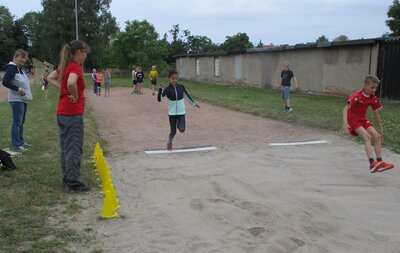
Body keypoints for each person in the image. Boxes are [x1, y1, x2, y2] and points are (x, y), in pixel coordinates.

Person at [47, 40, 91, 192]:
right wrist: (74, 94)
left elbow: (50, 78)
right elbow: (72, 82)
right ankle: (74, 182)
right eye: (85, 53)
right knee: (73, 146)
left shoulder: (65, 67)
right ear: (79, 52)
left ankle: (67, 178)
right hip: (72, 113)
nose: (86, 56)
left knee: (66, 147)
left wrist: (62, 88)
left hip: (62, 112)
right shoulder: (75, 67)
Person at [342, 75, 394, 173]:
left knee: (377, 136)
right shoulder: (357, 96)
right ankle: (372, 163)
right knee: (367, 137)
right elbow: (345, 109)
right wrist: (345, 123)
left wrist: (381, 128)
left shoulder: (372, 97)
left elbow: (376, 114)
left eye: (375, 88)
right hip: (353, 120)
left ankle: (380, 163)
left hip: (362, 120)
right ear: (365, 86)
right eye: (372, 87)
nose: (374, 90)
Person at [157, 70, 200, 151]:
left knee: (182, 129)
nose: (174, 80)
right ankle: (169, 143)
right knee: (173, 131)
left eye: (176, 78)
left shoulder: (181, 87)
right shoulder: (167, 89)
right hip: (172, 114)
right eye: (173, 78)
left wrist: (194, 104)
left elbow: (187, 96)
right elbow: (159, 99)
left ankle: (179, 124)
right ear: (169, 79)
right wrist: (160, 90)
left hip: (181, 112)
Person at [2, 49, 33, 153]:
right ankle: (16, 145)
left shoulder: (19, 68)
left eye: (25, 58)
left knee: (21, 122)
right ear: (15, 56)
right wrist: (18, 90)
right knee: (17, 122)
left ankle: (21, 142)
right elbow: (5, 82)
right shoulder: (12, 68)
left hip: (22, 100)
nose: (24, 60)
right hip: (16, 100)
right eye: (22, 57)